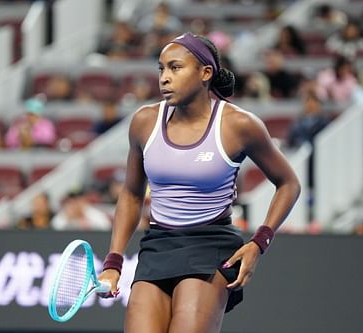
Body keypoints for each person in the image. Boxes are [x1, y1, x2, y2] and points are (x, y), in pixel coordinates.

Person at [97, 32, 301, 332]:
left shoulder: (239, 125)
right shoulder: (144, 122)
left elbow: (288, 183)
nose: (164, 78)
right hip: (157, 247)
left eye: (175, 68)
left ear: (206, 73)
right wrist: (113, 263)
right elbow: (130, 194)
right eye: (161, 69)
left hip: (211, 248)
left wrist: (259, 243)